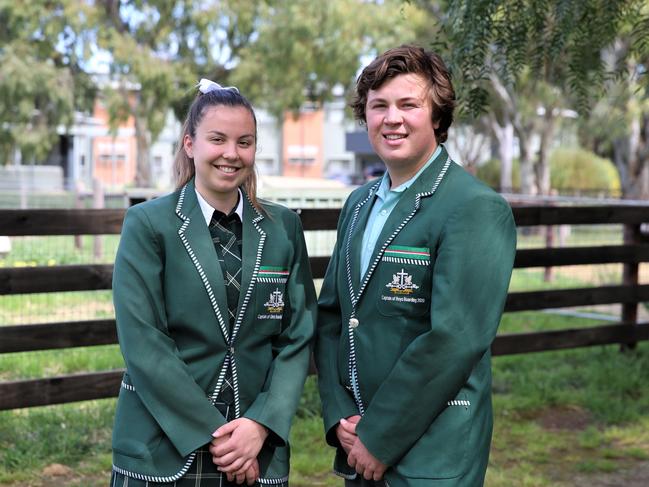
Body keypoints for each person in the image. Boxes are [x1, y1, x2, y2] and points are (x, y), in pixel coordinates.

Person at [315, 45, 517, 487]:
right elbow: (333, 317)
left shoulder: (474, 208)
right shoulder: (358, 203)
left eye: (409, 105)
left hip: (432, 453)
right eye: (379, 106)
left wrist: (381, 436)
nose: (392, 118)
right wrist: (341, 416)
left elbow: (455, 338)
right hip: (358, 441)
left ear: (438, 117)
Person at [110, 79, 316, 486]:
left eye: (245, 142)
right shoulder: (149, 225)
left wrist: (260, 424)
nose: (231, 154)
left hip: (258, 446)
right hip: (165, 447)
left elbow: (296, 337)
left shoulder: (284, 228)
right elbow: (144, 342)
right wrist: (218, 436)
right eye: (217, 139)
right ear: (190, 144)